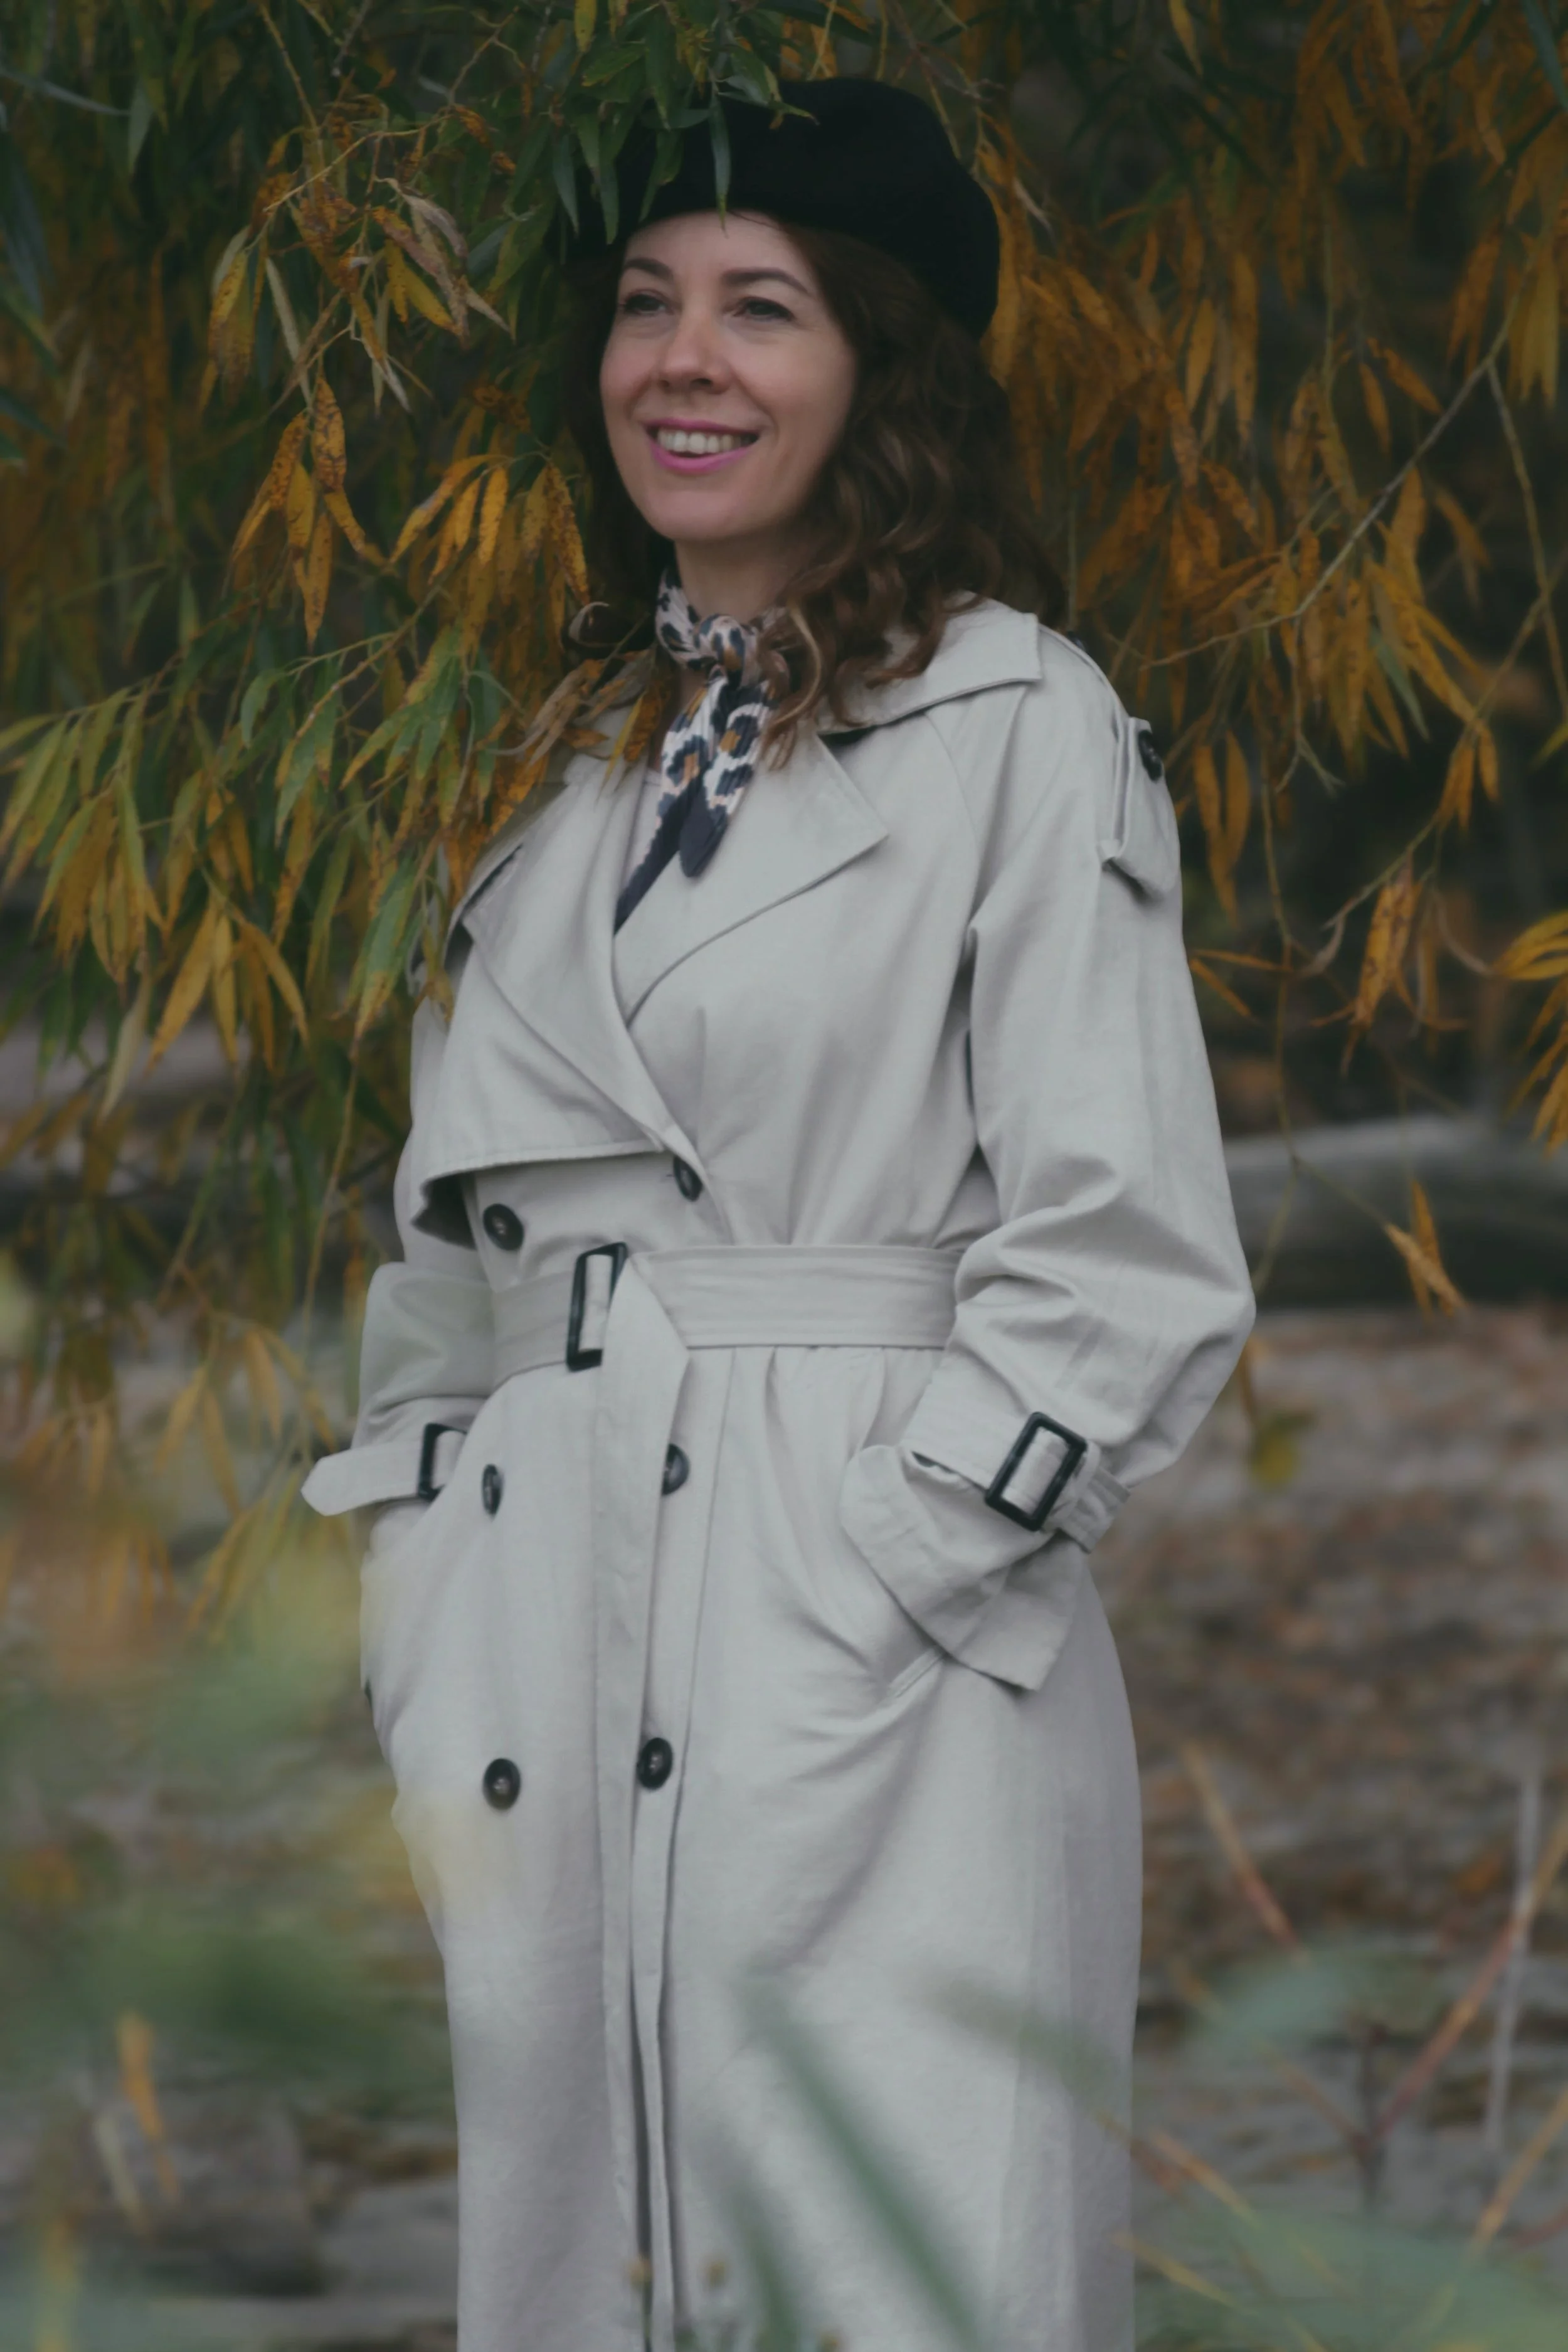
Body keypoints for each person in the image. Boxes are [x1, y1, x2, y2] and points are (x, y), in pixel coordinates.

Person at [303, 77, 1254, 2352]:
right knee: (591, 2269)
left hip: (872, 1618)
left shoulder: (1022, 724)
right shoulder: (570, 767)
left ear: (879, 370)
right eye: (644, 307)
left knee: (891, 2263)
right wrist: (425, 1568)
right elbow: (457, 1246)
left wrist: (888, 1579)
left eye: (761, 307)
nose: (682, 362)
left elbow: (1121, 1251)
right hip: (549, 1627)